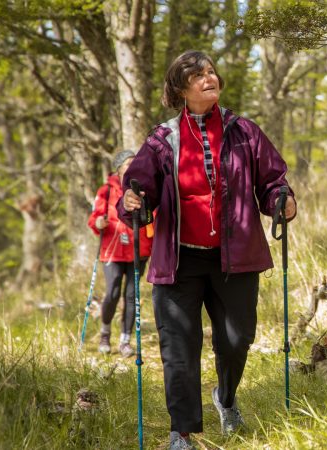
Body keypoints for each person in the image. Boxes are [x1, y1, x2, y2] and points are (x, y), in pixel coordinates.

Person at [117, 50, 296, 449]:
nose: (208, 79)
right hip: (179, 260)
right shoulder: (163, 140)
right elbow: (137, 187)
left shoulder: (243, 131)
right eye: (198, 76)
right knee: (178, 348)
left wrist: (282, 199)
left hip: (235, 256)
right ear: (181, 89)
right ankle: (181, 433)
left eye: (212, 72)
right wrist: (133, 201)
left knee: (236, 340)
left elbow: (272, 180)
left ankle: (226, 399)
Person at [87, 150, 153, 357]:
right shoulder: (106, 191)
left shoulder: (145, 187)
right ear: (119, 169)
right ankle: (105, 334)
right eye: (127, 165)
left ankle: (125, 340)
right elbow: (95, 218)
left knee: (132, 296)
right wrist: (98, 223)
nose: (132, 168)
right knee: (113, 292)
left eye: (135, 164)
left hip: (139, 249)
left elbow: (154, 215)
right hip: (113, 251)